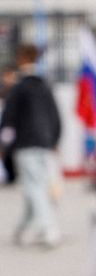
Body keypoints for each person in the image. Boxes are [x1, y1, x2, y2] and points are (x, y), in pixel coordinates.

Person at [0, 44, 62, 247]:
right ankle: (22, 229)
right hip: (44, 143)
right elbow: (55, 115)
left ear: (21, 58)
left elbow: (9, 121)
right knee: (35, 186)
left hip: (26, 144)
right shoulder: (45, 85)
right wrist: (54, 139)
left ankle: (48, 229)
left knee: (34, 187)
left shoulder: (19, 88)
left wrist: (3, 146)